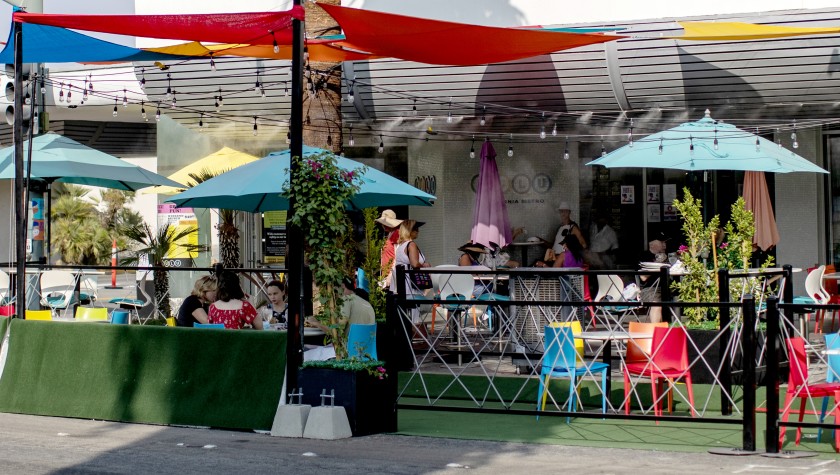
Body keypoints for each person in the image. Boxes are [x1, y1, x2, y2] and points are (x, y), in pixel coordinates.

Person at [375, 209, 403, 289]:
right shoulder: (389, 234)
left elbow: (397, 256)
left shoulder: (397, 233)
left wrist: (391, 274)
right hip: (385, 273)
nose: (383, 225)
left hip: (392, 275)